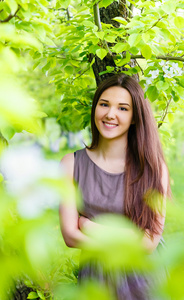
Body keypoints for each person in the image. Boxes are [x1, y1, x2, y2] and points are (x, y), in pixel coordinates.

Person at [59, 73, 171, 299]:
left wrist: (90, 228)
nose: (110, 114)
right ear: (95, 108)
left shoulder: (154, 169)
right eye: (104, 104)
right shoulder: (71, 164)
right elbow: (70, 236)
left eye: (122, 108)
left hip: (145, 280)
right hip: (95, 280)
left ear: (135, 117)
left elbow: (148, 243)